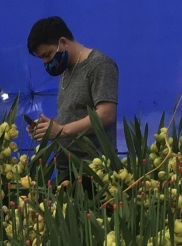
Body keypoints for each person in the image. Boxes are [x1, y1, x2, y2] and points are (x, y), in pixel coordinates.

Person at [25, 17, 118, 162]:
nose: (46, 62)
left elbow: (106, 115)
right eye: (41, 58)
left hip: (93, 168)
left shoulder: (100, 65)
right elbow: (75, 114)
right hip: (66, 166)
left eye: (47, 55)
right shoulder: (66, 69)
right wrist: (48, 128)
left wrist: (61, 131)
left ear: (63, 42)